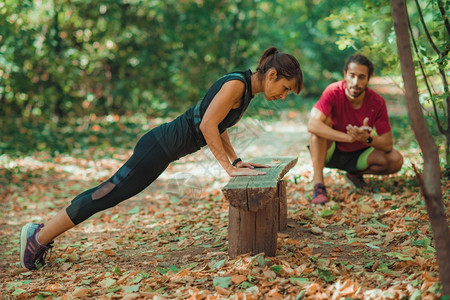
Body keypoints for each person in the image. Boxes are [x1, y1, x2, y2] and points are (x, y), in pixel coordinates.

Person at [19, 47, 304, 270]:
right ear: (271, 75)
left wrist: (237, 160)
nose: (284, 95)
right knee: (106, 194)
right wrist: (229, 169)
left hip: (161, 151)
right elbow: (207, 126)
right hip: (157, 147)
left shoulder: (244, 90)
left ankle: (41, 233)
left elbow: (218, 125)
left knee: (108, 193)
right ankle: (38, 237)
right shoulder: (236, 86)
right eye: (286, 88)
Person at [307, 54, 403, 205]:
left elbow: (388, 144)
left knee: (396, 159)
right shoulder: (333, 91)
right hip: (331, 150)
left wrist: (366, 138)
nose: (355, 82)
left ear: (368, 79)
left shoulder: (377, 102)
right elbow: (312, 125)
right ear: (345, 74)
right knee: (320, 125)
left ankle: (355, 174)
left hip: (359, 154)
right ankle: (319, 186)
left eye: (361, 77)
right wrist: (347, 137)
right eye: (352, 75)